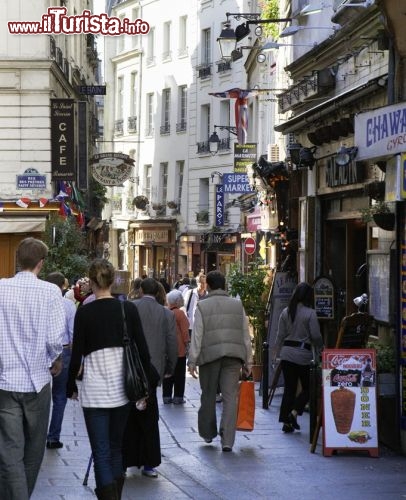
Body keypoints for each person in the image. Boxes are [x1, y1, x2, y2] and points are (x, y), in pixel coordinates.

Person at [67, 259, 151, 499]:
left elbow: (77, 355)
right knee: (115, 449)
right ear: (113, 280)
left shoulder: (84, 313)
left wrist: (70, 385)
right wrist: (146, 388)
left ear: (91, 283)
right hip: (122, 391)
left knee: (101, 452)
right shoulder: (128, 310)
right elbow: (143, 351)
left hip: (94, 393)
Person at [0, 237, 65, 499]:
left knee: (9, 449)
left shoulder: (1, 288)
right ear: (41, 263)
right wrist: (55, 358)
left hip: (5, 381)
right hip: (38, 381)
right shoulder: (51, 292)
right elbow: (54, 339)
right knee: (34, 449)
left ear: (17, 260)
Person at [187, 270, 253, 452]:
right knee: (230, 397)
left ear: (207, 285)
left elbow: (197, 335)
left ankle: (208, 433)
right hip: (233, 355)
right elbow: (245, 335)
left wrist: (192, 360)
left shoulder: (202, 306)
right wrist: (248, 361)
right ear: (224, 286)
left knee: (208, 394)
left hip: (210, 356)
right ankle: (227, 441)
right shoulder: (237, 305)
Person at [123, 278, 177, 478]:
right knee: (149, 417)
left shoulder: (129, 307)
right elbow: (172, 342)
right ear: (157, 292)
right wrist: (170, 367)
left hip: (129, 367)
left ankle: (126, 459)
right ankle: (148, 463)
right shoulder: (165, 313)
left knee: (129, 415)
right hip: (153, 371)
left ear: (141, 289)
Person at [273, 282, 323, 433]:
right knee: (309, 388)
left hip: (287, 354)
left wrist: (276, 353)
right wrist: (321, 347)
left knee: (289, 388)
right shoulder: (310, 313)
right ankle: (294, 412)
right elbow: (316, 336)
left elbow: (279, 335)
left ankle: (286, 423)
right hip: (303, 355)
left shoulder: (286, 312)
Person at [45, 271, 77, 449]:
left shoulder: (40, 303)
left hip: (41, 352)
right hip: (63, 350)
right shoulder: (68, 305)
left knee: (38, 396)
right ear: (63, 286)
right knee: (59, 397)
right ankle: (53, 436)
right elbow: (73, 334)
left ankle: (35, 436)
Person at [163, 290, 190, 404]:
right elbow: (185, 331)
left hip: (167, 348)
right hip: (179, 349)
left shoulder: (165, 312)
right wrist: (187, 343)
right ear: (178, 301)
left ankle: (166, 396)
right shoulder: (180, 313)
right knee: (179, 374)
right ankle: (178, 396)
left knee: (168, 373)